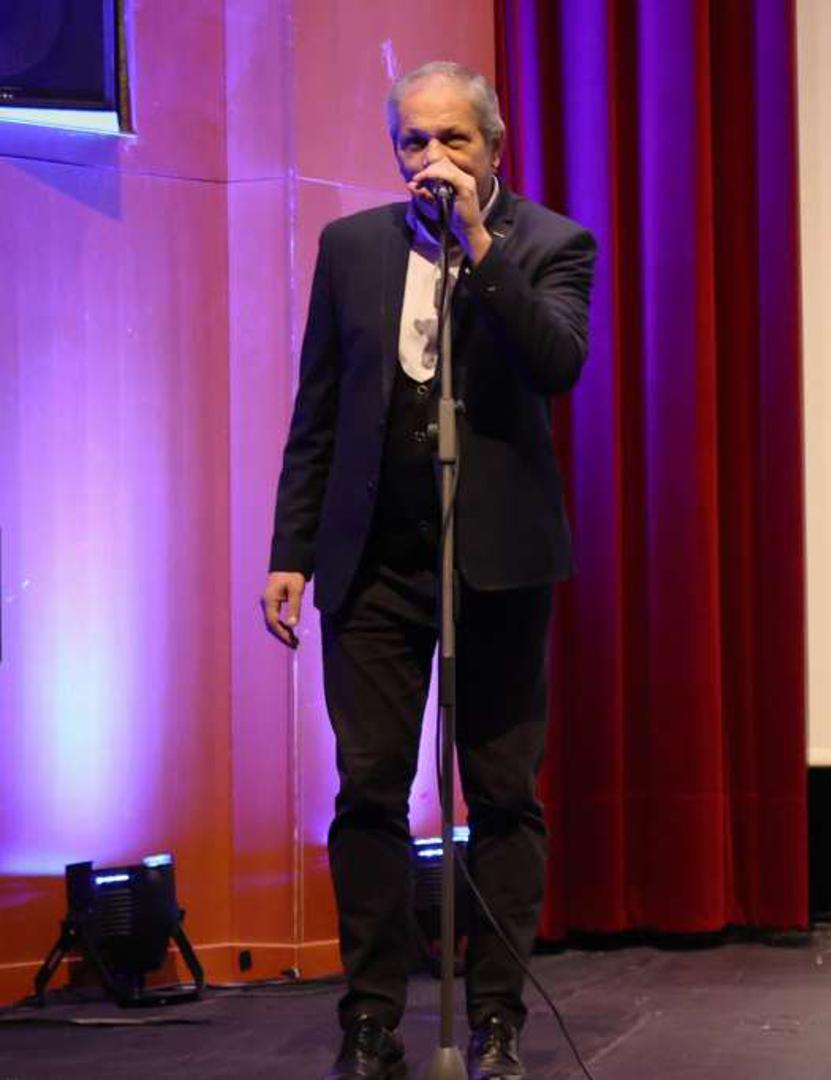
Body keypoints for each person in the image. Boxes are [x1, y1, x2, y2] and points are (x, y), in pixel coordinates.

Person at [260, 61, 595, 1079]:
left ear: (493, 148)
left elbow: (557, 364)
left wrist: (482, 248)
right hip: (372, 563)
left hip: (496, 564)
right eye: (416, 140)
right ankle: (368, 1023)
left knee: (501, 792)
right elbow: (318, 410)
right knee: (368, 787)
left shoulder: (551, 243)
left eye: (455, 139)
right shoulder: (352, 247)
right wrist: (290, 550)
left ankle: (495, 1023)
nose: (434, 158)